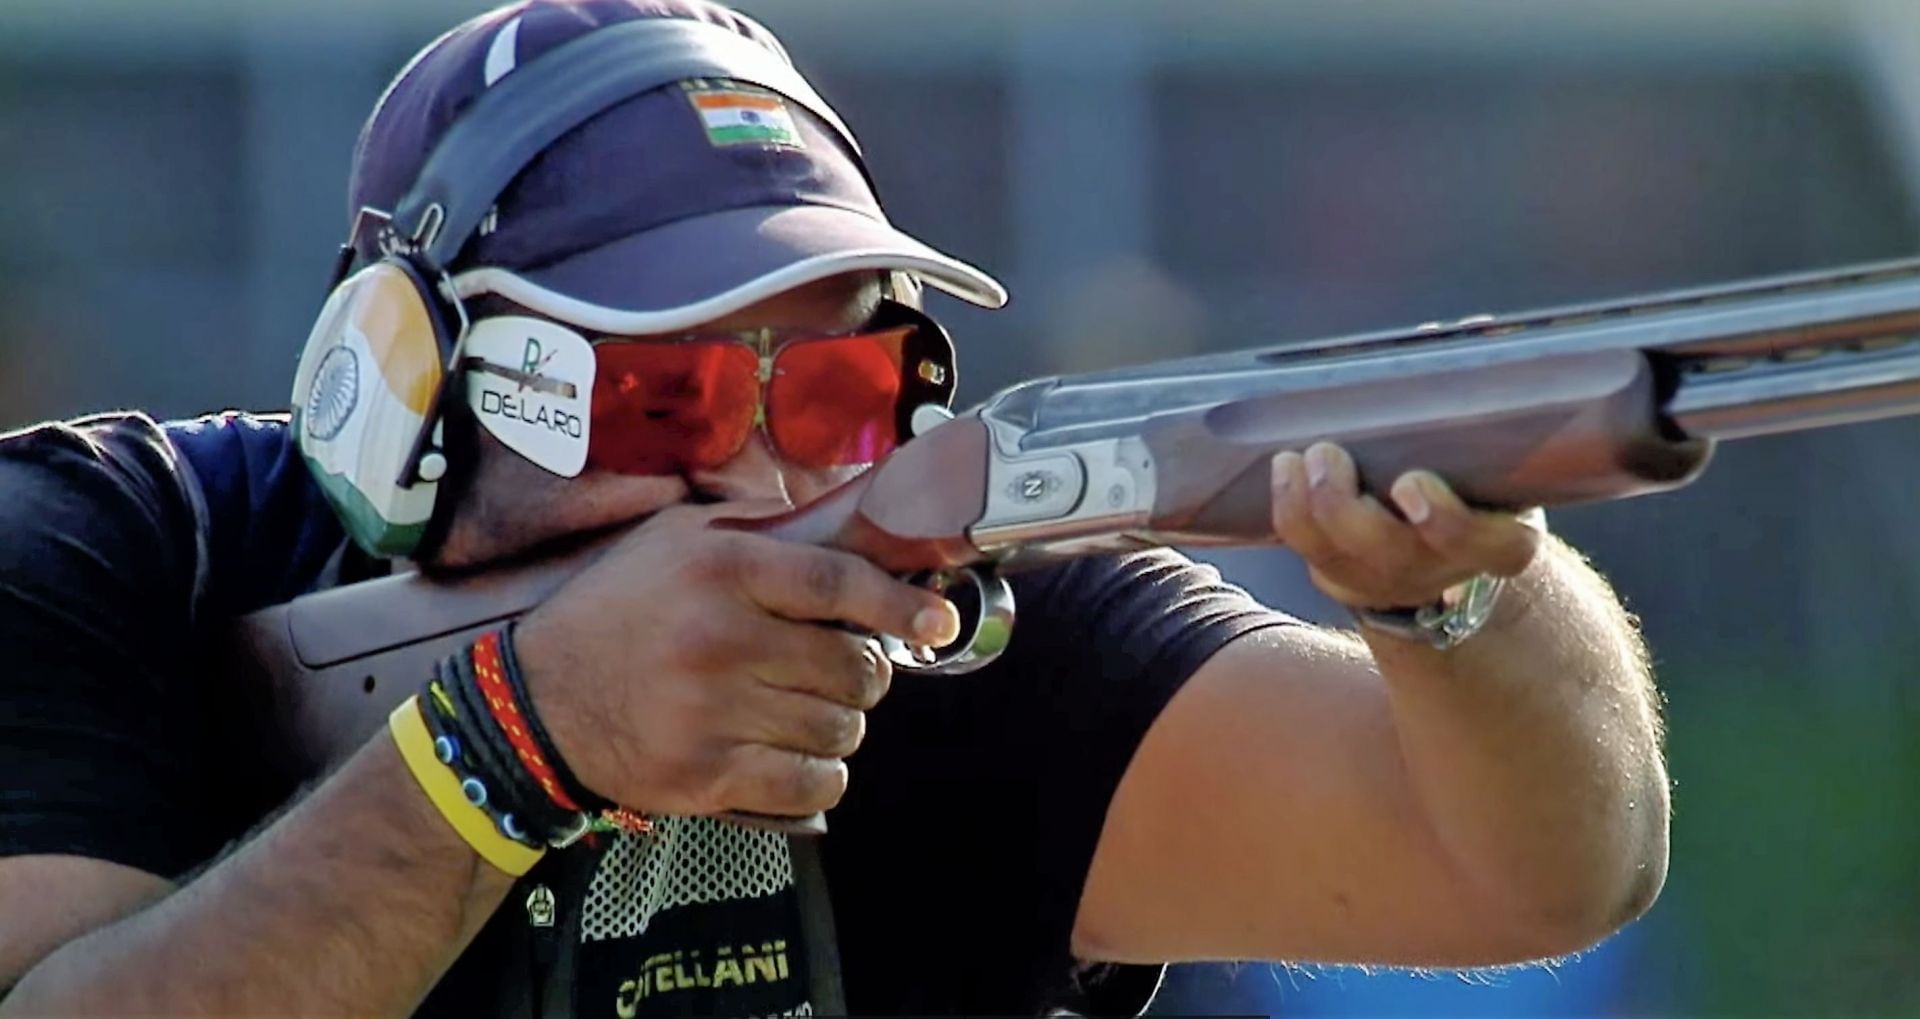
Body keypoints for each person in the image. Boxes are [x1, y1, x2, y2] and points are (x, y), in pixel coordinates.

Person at [0, 1, 1670, 1016]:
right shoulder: (112, 558)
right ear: (402, 383)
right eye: (664, 397)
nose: (757, 476)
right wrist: (513, 743)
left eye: (833, 400)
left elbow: (1542, 874)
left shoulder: (923, 621)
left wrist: (1467, 599)